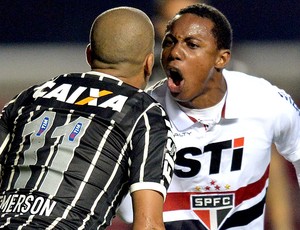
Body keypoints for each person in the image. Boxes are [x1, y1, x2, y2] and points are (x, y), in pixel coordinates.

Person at [117, 3, 300, 229]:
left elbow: (270, 157)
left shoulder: (251, 92)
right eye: (172, 21)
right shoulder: (139, 93)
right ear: (159, 27)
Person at [0, 6, 176, 230]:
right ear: (149, 63)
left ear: (89, 55)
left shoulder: (30, 97)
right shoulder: (145, 114)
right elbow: (148, 225)